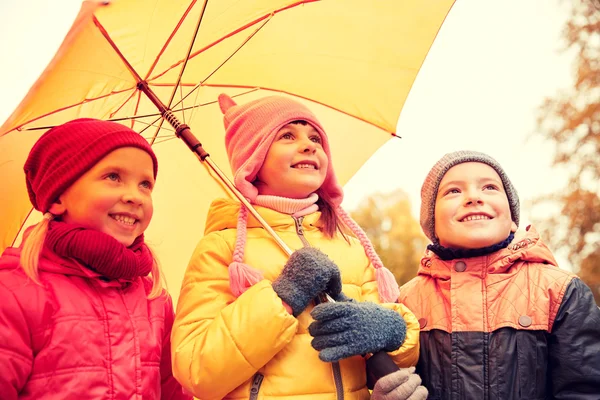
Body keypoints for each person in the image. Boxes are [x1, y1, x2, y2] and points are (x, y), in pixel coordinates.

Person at [171, 94, 424, 400]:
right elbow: (196, 371)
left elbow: (394, 359)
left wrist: (392, 332)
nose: (309, 145)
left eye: (315, 137)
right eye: (287, 135)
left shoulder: (351, 245)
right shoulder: (220, 247)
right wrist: (283, 296)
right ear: (253, 158)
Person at [0, 118, 191, 400]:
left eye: (145, 184)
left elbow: (174, 392)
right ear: (58, 197)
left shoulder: (154, 299)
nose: (135, 196)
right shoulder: (15, 293)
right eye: (113, 177)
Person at [398, 150, 600, 399]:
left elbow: (585, 390)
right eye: (453, 191)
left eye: (490, 187)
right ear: (432, 224)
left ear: (513, 220)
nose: (473, 197)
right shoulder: (406, 301)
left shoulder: (560, 292)